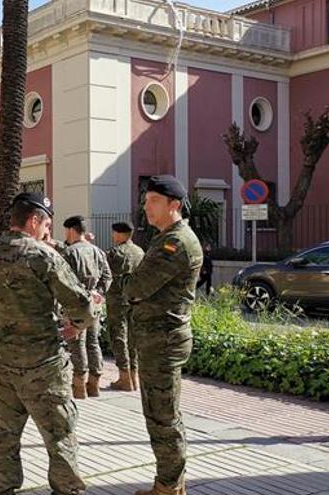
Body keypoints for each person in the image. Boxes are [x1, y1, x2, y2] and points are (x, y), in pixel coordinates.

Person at [0, 192, 100, 495]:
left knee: (5, 437)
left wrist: (2, 324)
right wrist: (75, 325)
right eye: (46, 224)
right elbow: (83, 307)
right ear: (34, 220)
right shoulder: (43, 256)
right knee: (60, 437)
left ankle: (4, 489)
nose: (48, 231)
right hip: (44, 366)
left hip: (2, 364)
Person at [124, 175, 202, 495]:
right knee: (162, 413)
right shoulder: (166, 237)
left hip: (163, 339)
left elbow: (137, 287)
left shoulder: (175, 242)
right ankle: (171, 483)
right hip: (159, 338)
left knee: (163, 417)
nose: (146, 208)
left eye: (153, 201)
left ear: (175, 205)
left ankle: (168, 487)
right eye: (145, 201)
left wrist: (128, 284)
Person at [55, 215, 112, 399]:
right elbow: (107, 276)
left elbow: (64, 281)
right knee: (93, 343)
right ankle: (94, 383)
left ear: (71, 230)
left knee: (77, 343)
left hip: (76, 305)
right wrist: (98, 294)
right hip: (94, 306)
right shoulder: (97, 251)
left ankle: (79, 386)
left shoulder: (70, 253)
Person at [106, 221, 145, 392]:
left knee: (118, 336)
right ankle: (134, 376)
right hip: (135, 299)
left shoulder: (115, 253)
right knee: (133, 337)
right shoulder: (139, 251)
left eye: (114, 233)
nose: (113, 236)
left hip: (117, 299)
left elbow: (104, 271)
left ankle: (124, 377)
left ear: (120, 234)